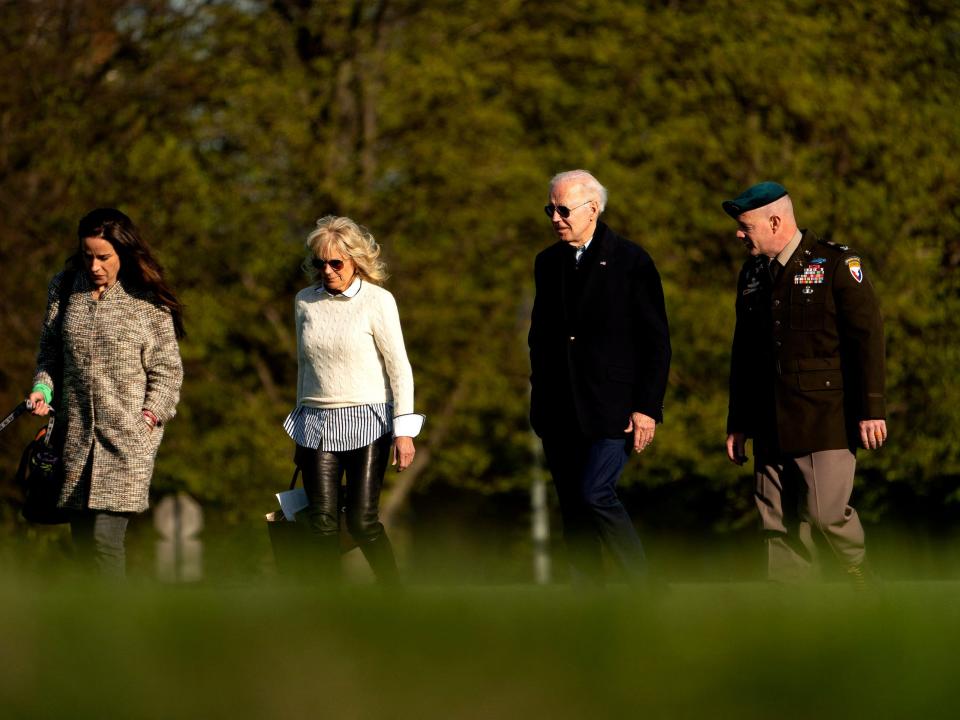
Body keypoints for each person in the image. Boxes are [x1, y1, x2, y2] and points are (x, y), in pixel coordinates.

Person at [723, 182, 886, 584]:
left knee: (825, 514)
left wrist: (871, 410)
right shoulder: (752, 274)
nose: (739, 235)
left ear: (774, 221)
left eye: (745, 226)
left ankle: (858, 577)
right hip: (767, 419)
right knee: (775, 519)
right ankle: (791, 614)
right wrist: (738, 420)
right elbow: (744, 351)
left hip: (824, 418)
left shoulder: (835, 264)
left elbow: (866, 338)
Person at [528, 170, 671, 584]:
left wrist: (647, 407)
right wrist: (540, 394)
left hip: (613, 407)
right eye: (549, 209)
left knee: (596, 492)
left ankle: (640, 585)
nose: (556, 217)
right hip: (558, 407)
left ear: (593, 209)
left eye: (564, 209)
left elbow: (656, 342)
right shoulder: (547, 262)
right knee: (572, 503)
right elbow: (541, 336)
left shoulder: (632, 261)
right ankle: (586, 596)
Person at [28, 208, 184, 577]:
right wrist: (41, 390)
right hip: (73, 442)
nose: (94, 265)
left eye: (104, 257)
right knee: (83, 549)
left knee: (104, 544)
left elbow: (168, 373)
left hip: (125, 444)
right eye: (88, 255)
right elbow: (50, 354)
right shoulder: (65, 288)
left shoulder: (147, 301)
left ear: (122, 254)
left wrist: (146, 421)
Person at [284, 215, 423, 584]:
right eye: (319, 263)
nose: (327, 271)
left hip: (369, 420)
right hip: (315, 421)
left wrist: (403, 432)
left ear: (355, 261)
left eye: (336, 263)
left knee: (362, 521)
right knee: (322, 523)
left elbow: (399, 368)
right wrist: (299, 428)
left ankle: (394, 594)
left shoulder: (378, 301)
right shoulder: (304, 303)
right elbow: (305, 368)